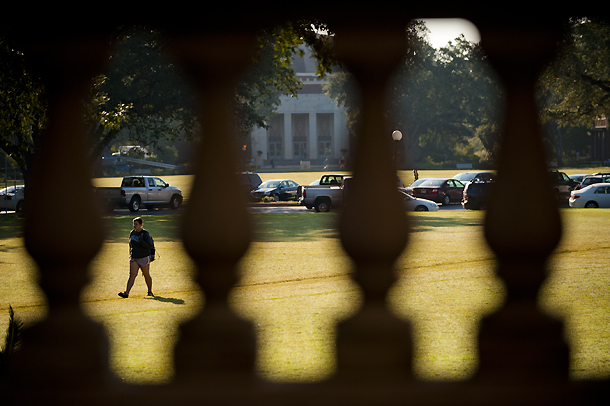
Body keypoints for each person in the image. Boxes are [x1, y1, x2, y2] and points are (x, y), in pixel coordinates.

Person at [118, 217, 155, 298]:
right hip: (134, 257)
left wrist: (141, 241)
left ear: (141, 225)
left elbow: (150, 245)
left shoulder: (145, 233)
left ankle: (149, 292)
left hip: (144, 257)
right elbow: (131, 244)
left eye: (136, 224)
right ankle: (126, 293)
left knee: (146, 275)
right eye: (134, 224)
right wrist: (131, 253)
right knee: (132, 275)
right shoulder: (132, 233)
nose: (134, 225)